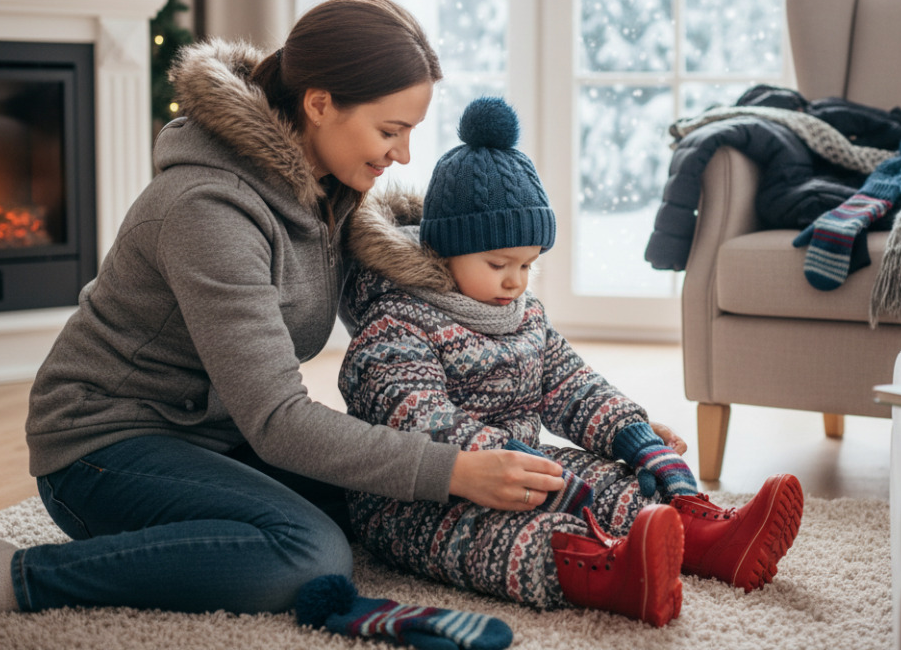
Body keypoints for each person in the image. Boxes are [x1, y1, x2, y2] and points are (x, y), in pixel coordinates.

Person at [0, 0, 568, 626]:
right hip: (104, 444)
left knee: (388, 504)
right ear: (319, 104)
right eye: (390, 131)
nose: (402, 155)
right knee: (309, 555)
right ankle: (14, 576)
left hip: (218, 434)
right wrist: (455, 468)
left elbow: (438, 277)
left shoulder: (337, 191)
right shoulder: (207, 208)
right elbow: (277, 420)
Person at [337, 96, 805, 627]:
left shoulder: (521, 312)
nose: (515, 281)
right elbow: (416, 415)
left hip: (524, 466)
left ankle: (710, 540)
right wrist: (508, 457)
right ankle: (606, 572)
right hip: (419, 498)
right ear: (444, 250)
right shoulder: (396, 321)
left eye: (528, 265)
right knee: (503, 535)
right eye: (498, 264)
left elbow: (570, 384)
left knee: (615, 481)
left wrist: (636, 438)